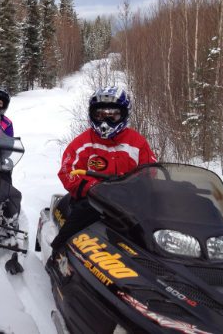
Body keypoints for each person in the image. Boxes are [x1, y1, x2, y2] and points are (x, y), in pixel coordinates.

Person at [49, 86, 157, 263]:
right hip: (93, 198)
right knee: (82, 215)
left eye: (112, 115)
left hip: (129, 199)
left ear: (123, 114)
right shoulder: (82, 143)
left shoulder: (137, 142)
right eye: (100, 115)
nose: (105, 121)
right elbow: (67, 172)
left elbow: (151, 172)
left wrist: (138, 186)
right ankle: (57, 252)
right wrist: (93, 187)